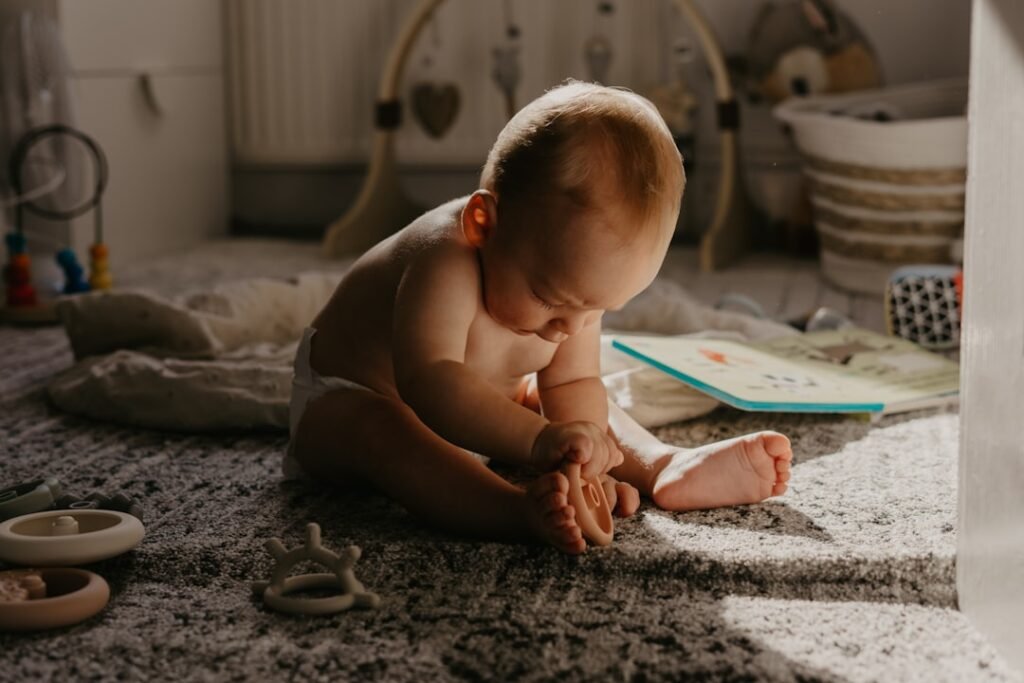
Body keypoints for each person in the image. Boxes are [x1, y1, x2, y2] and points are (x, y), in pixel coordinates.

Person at [287, 81, 792, 554]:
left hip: (482, 407)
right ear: (484, 223)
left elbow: (572, 381)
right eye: (549, 298)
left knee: (562, 407)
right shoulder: (443, 260)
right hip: (345, 405)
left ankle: (662, 464)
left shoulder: (571, 294)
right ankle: (508, 509)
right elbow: (430, 381)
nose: (569, 326)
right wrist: (536, 441)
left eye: (595, 309)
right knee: (382, 428)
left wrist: (586, 461)